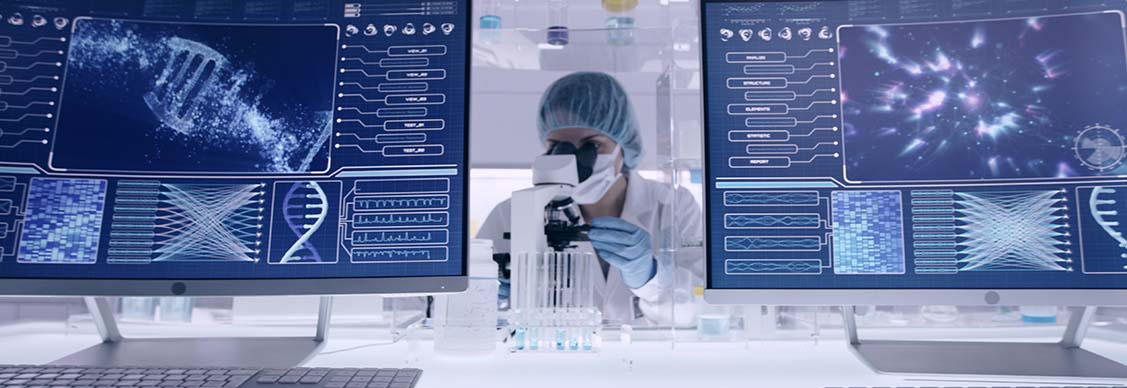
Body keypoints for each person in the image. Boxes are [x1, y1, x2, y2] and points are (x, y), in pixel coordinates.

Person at [476, 72, 704, 326]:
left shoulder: (673, 206)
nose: (573, 160)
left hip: (647, 361)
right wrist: (487, 295)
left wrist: (650, 278)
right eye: (557, 146)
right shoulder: (511, 215)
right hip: (556, 360)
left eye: (592, 146)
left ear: (623, 146)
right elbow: (456, 309)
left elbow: (705, 311)